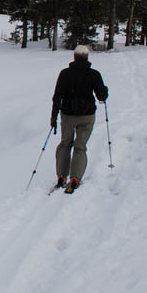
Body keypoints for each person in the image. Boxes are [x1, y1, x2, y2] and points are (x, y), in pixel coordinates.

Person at [50, 45, 109, 192]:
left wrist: (54, 116)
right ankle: (75, 178)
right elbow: (101, 96)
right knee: (80, 146)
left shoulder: (65, 73)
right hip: (87, 115)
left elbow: (57, 96)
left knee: (65, 143)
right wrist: (105, 90)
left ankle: (61, 176)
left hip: (68, 115)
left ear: (74, 57)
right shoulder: (94, 74)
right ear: (87, 57)